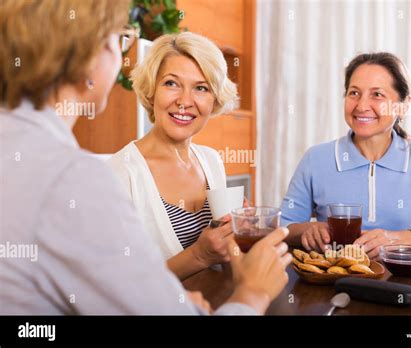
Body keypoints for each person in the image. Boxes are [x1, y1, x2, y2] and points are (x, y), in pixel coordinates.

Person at [0, 0, 291, 315]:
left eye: (201, 89)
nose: (185, 101)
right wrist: (253, 293)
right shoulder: (79, 177)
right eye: (118, 39)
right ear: (86, 52)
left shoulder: (23, 149)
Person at [280, 52, 411, 258]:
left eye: (377, 94)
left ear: (403, 106)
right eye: (354, 93)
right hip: (334, 281)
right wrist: (306, 230)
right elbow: (283, 225)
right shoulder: (316, 158)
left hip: (401, 281)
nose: (361, 106)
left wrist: (398, 238)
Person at [108, 32, 240, 280]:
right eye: (171, 83)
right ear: (152, 90)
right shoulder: (119, 174)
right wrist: (199, 255)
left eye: (201, 88)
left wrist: (238, 234)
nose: (184, 101)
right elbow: (116, 284)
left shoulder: (212, 161)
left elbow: (226, 261)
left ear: (214, 100)